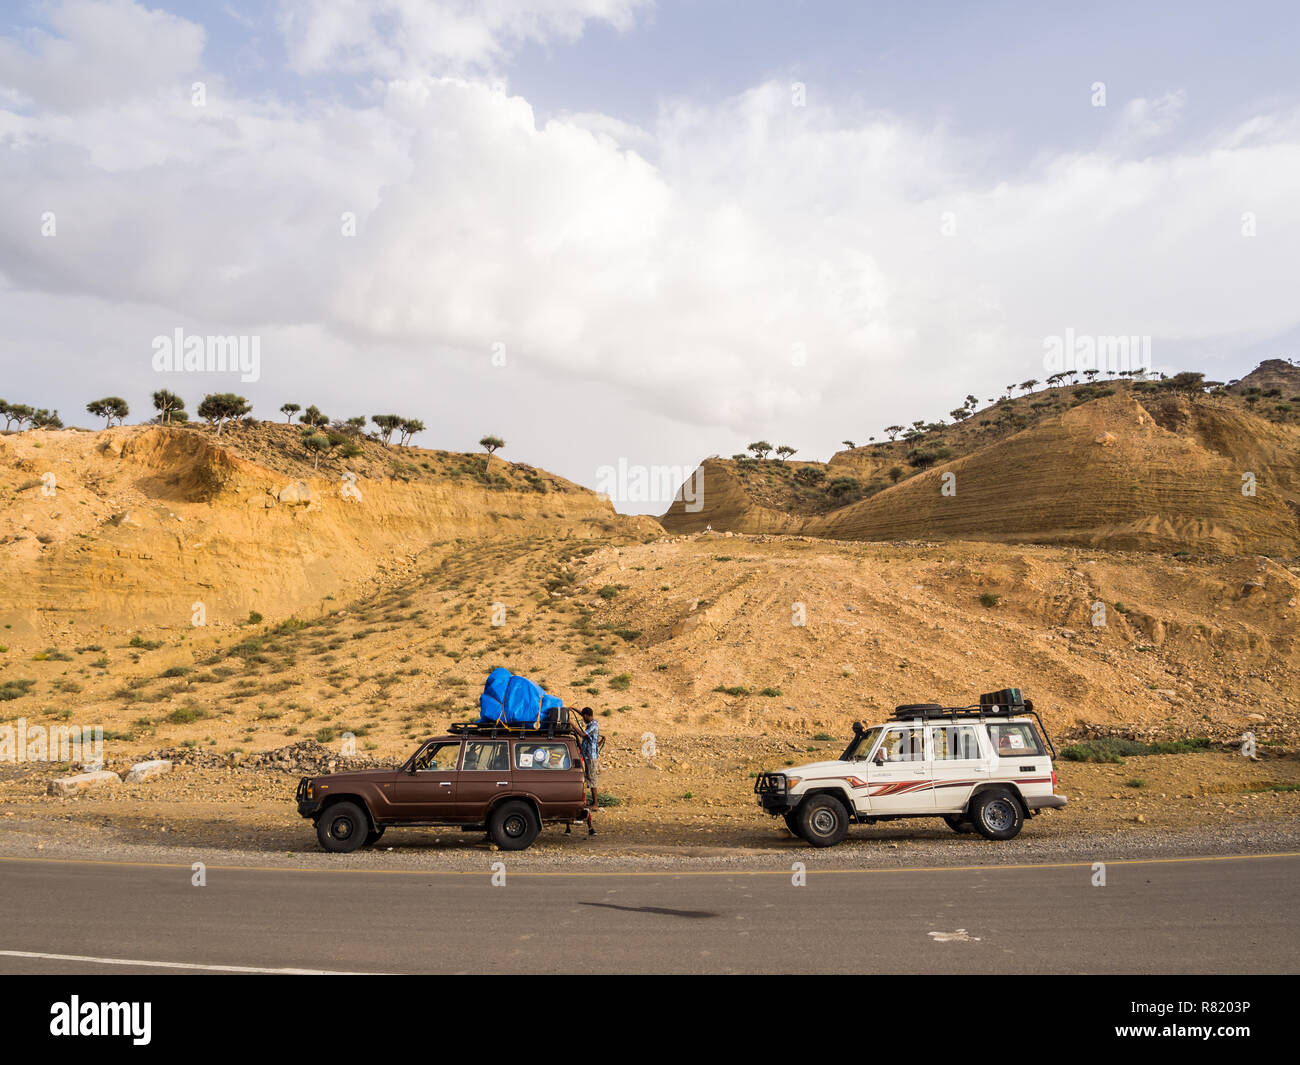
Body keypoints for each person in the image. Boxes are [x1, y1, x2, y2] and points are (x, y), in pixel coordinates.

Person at [579, 706, 600, 836]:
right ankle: (592, 802)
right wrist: (573, 709)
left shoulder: (593, 725)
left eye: (583, 716)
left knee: (592, 780)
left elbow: (582, 734)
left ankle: (595, 804)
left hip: (591, 758)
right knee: (589, 778)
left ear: (587, 715)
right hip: (587, 756)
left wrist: (572, 725)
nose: (583, 719)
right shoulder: (592, 722)